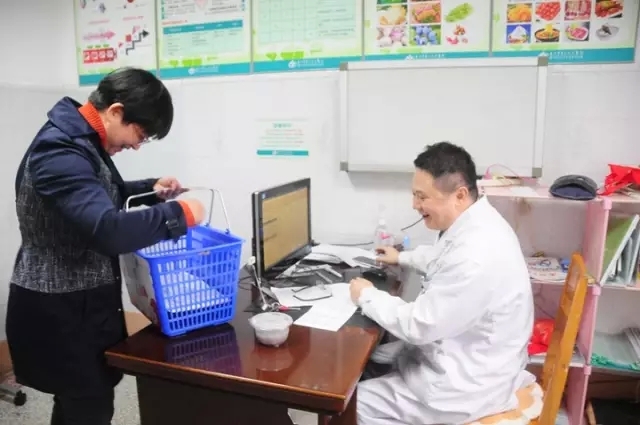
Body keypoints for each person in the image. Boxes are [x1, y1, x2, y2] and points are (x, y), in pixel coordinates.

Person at [5, 67, 206, 425]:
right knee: (89, 408)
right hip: (61, 310)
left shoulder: (80, 140)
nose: (136, 145)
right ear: (115, 111)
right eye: (139, 134)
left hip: (82, 302)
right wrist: (179, 214)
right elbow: (108, 230)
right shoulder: (59, 151)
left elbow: (94, 193)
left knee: (80, 405)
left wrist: (150, 190)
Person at [349, 142, 535, 425]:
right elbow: (443, 258)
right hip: (474, 358)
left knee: (351, 404)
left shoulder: (476, 254)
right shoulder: (478, 222)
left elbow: (419, 324)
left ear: (459, 195)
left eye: (422, 197)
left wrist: (367, 295)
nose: (415, 205)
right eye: (414, 195)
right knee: (375, 358)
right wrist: (403, 257)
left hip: (465, 388)